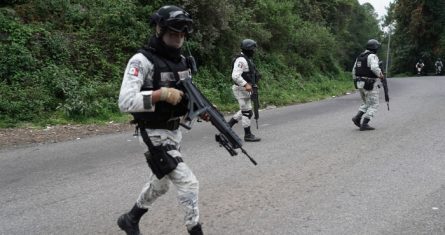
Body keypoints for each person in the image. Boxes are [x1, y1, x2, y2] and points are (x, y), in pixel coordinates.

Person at [117, 5, 203, 235]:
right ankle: (195, 230)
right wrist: (160, 94)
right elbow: (125, 101)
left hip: (175, 131)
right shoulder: (141, 61)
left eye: (182, 35)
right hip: (152, 132)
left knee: (162, 183)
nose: (178, 39)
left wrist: (199, 109)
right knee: (188, 183)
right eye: (173, 34)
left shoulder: (183, 61)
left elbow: (188, 95)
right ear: (159, 30)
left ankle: (130, 218)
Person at [226, 39, 261, 142]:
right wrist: (245, 84)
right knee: (247, 112)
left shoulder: (247, 59)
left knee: (246, 111)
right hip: (241, 89)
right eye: (253, 49)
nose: (254, 51)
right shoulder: (241, 60)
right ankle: (248, 135)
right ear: (248, 49)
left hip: (245, 90)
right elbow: (235, 76)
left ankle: (226, 127)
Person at [351, 39, 385, 131]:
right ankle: (365, 123)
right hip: (369, 83)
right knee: (374, 104)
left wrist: (355, 82)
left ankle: (357, 118)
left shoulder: (360, 56)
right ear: (375, 48)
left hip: (359, 83)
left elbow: (354, 70)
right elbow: (374, 67)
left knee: (366, 103)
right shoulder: (372, 56)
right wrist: (381, 75)